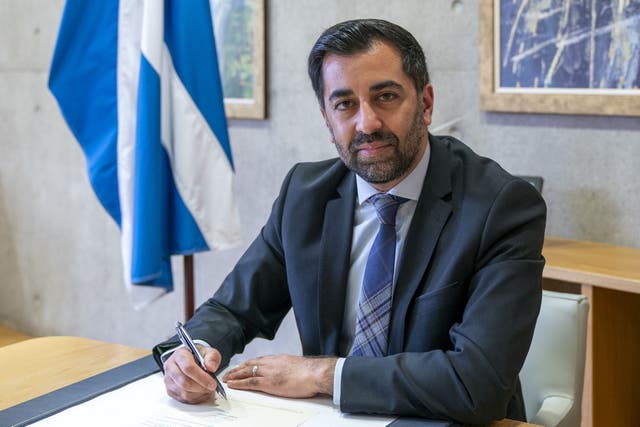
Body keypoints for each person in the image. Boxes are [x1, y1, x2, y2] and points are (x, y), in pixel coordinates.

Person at [153, 18, 546, 424]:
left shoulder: (502, 207)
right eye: (344, 104)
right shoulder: (305, 195)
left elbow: (477, 383)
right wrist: (192, 351)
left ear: (425, 104)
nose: (367, 123)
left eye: (386, 97)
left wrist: (323, 373)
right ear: (327, 120)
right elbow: (235, 309)